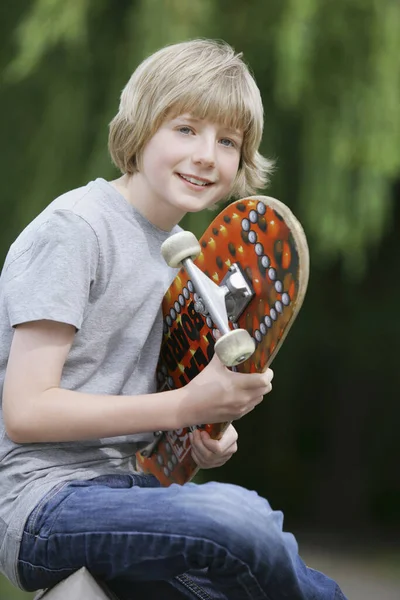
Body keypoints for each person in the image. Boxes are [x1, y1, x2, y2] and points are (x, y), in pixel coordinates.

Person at [0, 39, 347, 599]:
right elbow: (25, 411)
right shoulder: (75, 229)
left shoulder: (194, 264)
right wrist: (185, 405)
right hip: (43, 503)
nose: (208, 154)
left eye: (227, 140)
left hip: (133, 491)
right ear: (140, 129)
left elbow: (157, 419)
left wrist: (202, 433)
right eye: (186, 129)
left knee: (268, 569)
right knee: (241, 520)